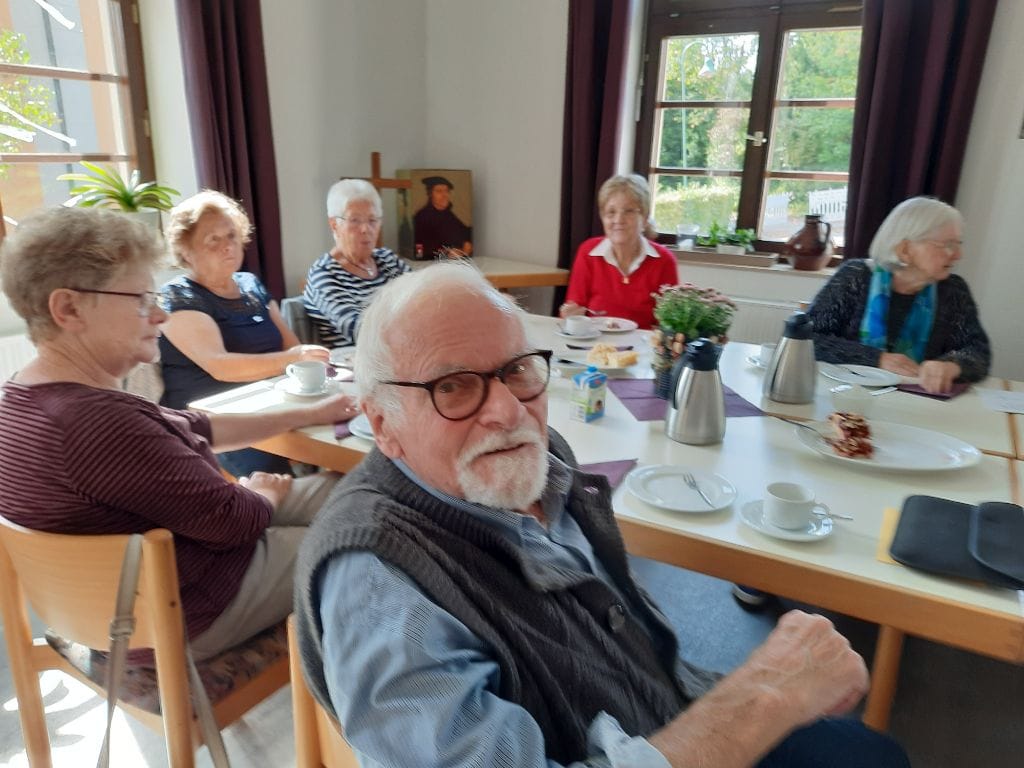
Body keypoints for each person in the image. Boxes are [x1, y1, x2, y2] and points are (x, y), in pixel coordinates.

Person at [293, 263, 909, 767]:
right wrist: (765, 695)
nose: (507, 411)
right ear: (382, 425)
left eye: (516, 370)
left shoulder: (538, 460)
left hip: (661, 707)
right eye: (453, 386)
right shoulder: (381, 586)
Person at [0, 207, 359, 660]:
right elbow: (236, 522)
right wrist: (263, 492)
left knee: (348, 491)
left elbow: (198, 426)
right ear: (69, 308)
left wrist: (305, 413)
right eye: (141, 300)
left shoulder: (24, 397)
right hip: (186, 614)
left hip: (127, 606)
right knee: (363, 535)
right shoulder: (97, 423)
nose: (160, 316)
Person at [159, 189, 330, 477]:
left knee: (338, 430)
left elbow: (292, 345)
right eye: (214, 240)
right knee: (275, 474)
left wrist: (307, 361)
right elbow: (220, 366)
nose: (228, 246)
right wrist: (292, 358)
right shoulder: (178, 296)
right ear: (186, 250)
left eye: (232, 236)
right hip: (213, 423)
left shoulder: (250, 285)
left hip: (268, 404)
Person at [808, 196, 990, 394]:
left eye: (958, 244)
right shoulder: (855, 277)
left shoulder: (954, 291)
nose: (958, 255)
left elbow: (978, 352)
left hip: (917, 403)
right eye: (947, 245)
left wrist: (952, 365)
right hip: (845, 396)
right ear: (904, 250)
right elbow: (808, 339)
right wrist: (877, 358)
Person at [561, 173, 679, 329]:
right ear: (603, 217)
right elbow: (575, 314)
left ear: (644, 217)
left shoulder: (664, 261)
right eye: (611, 212)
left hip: (642, 350)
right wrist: (570, 316)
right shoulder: (587, 253)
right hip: (594, 348)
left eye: (629, 211)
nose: (618, 220)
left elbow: (670, 325)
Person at [303, 179, 411, 348]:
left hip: (405, 354)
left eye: (372, 220)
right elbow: (360, 331)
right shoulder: (324, 273)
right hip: (358, 368)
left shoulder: (387, 260)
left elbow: (424, 296)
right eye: (355, 220)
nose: (365, 229)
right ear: (334, 225)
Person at [412, 175, 473, 259]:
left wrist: (467, 242)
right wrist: (446, 253)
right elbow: (419, 251)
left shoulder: (448, 214)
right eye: (439, 191)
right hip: (432, 265)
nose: (445, 195)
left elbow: (464, 231)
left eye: (447, 191)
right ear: (430, 194)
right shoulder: (422, 217)